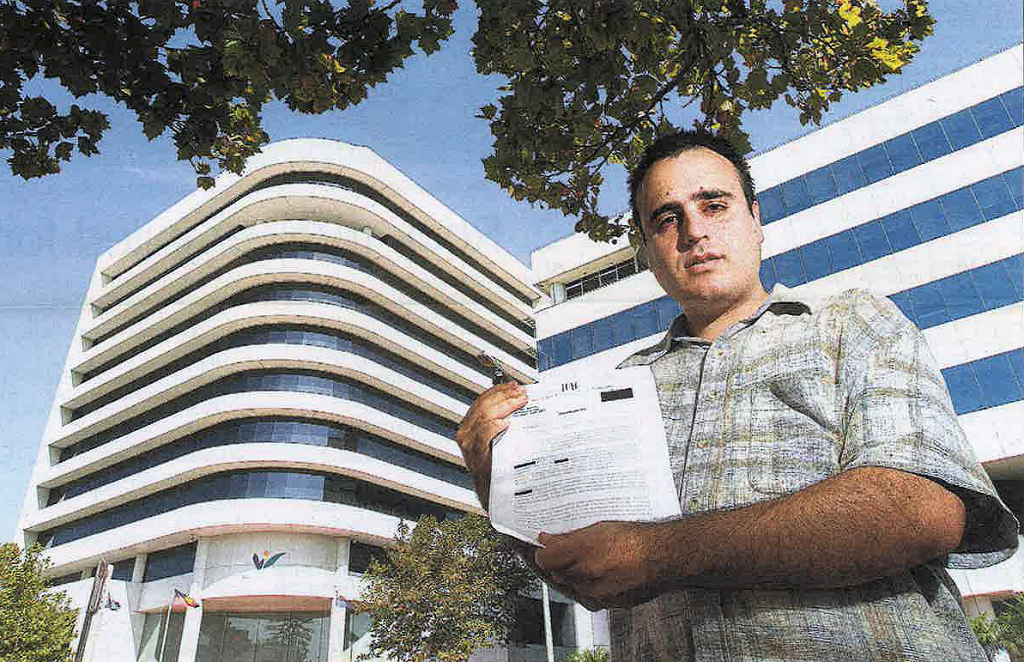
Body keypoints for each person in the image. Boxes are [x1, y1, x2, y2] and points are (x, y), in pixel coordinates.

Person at [455, 130, 1018, 661]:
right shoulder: (616, 391)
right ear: (648, 251)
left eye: (714, 205)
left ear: (755, 221)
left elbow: (921, 509)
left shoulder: (853, 324)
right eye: (666, 218)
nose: (693, 231)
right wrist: (494, 477)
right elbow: (582, 567)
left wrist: (659, 553)